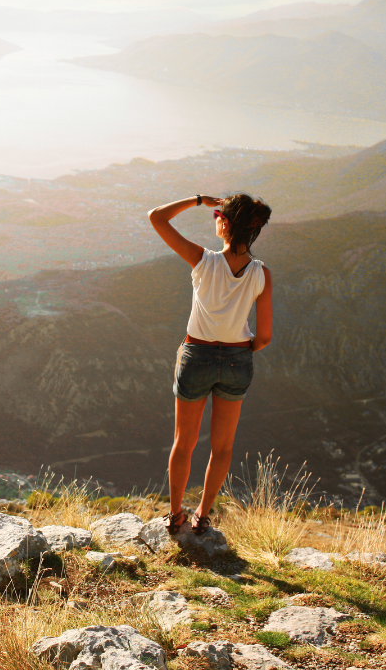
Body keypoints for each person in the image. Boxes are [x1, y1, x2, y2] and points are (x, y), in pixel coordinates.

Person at [148, 192, 272, 535]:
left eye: (217, 214)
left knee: (183, 443)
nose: (214, 217)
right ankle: (203, 517)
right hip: (237, 360)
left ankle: (175, 516)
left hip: (196, 356)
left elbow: (156, 217)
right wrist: (236, 348)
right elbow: (264, 338)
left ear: (226, 224)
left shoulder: (203, 260)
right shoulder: (262, 274)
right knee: (223, 448)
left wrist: (200, 199)